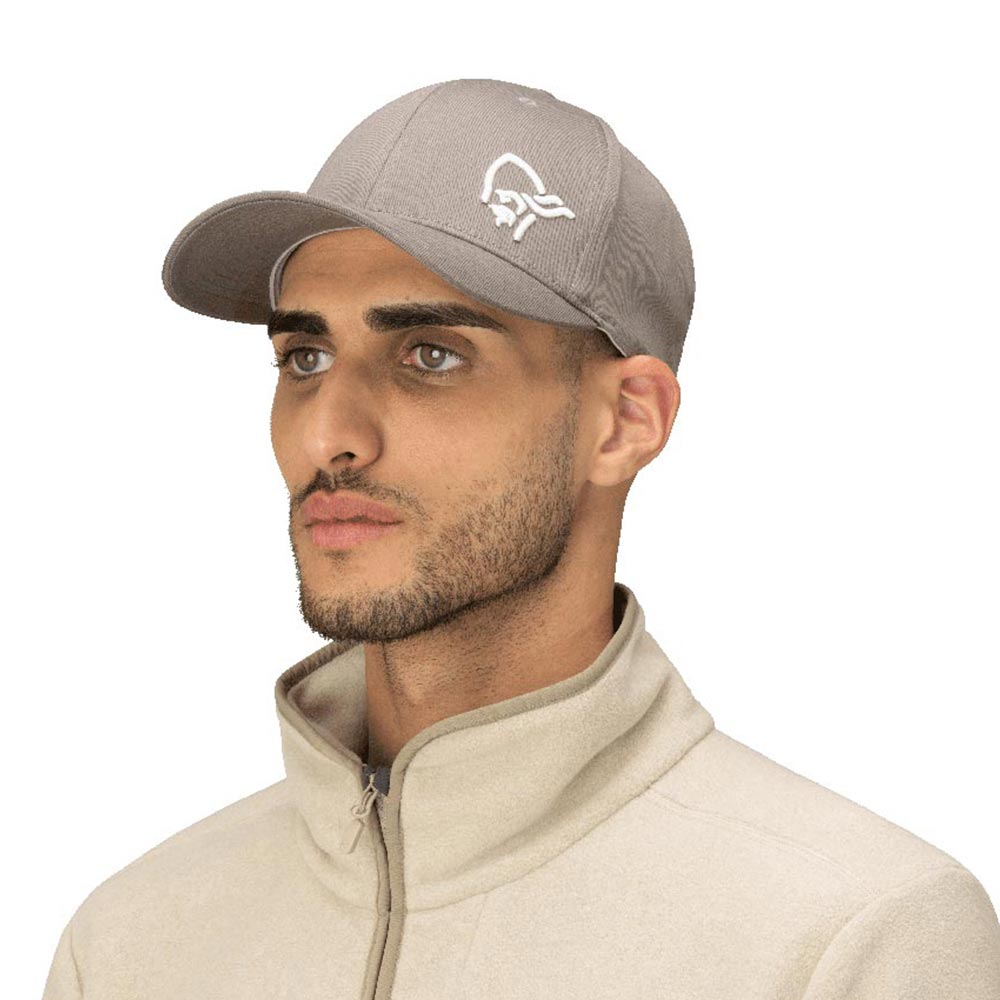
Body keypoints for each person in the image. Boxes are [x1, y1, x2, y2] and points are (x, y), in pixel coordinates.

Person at [42, 77, 1000, 1000]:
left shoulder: (850, 939)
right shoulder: (130, 945)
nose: (328, 433)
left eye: (430, 355)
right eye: (306, 356)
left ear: (626, 420)